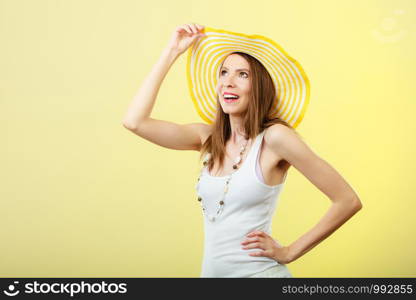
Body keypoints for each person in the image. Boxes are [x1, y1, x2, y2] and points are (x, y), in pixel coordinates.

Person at [122, 23, 363, 278]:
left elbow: (347, 201)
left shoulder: (275, 139)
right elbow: (134, 122)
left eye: (242, 75)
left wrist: (289, 252)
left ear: (259, 87)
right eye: (224, 72)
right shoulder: (207, 138)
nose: (228, 83)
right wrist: (172, 51)